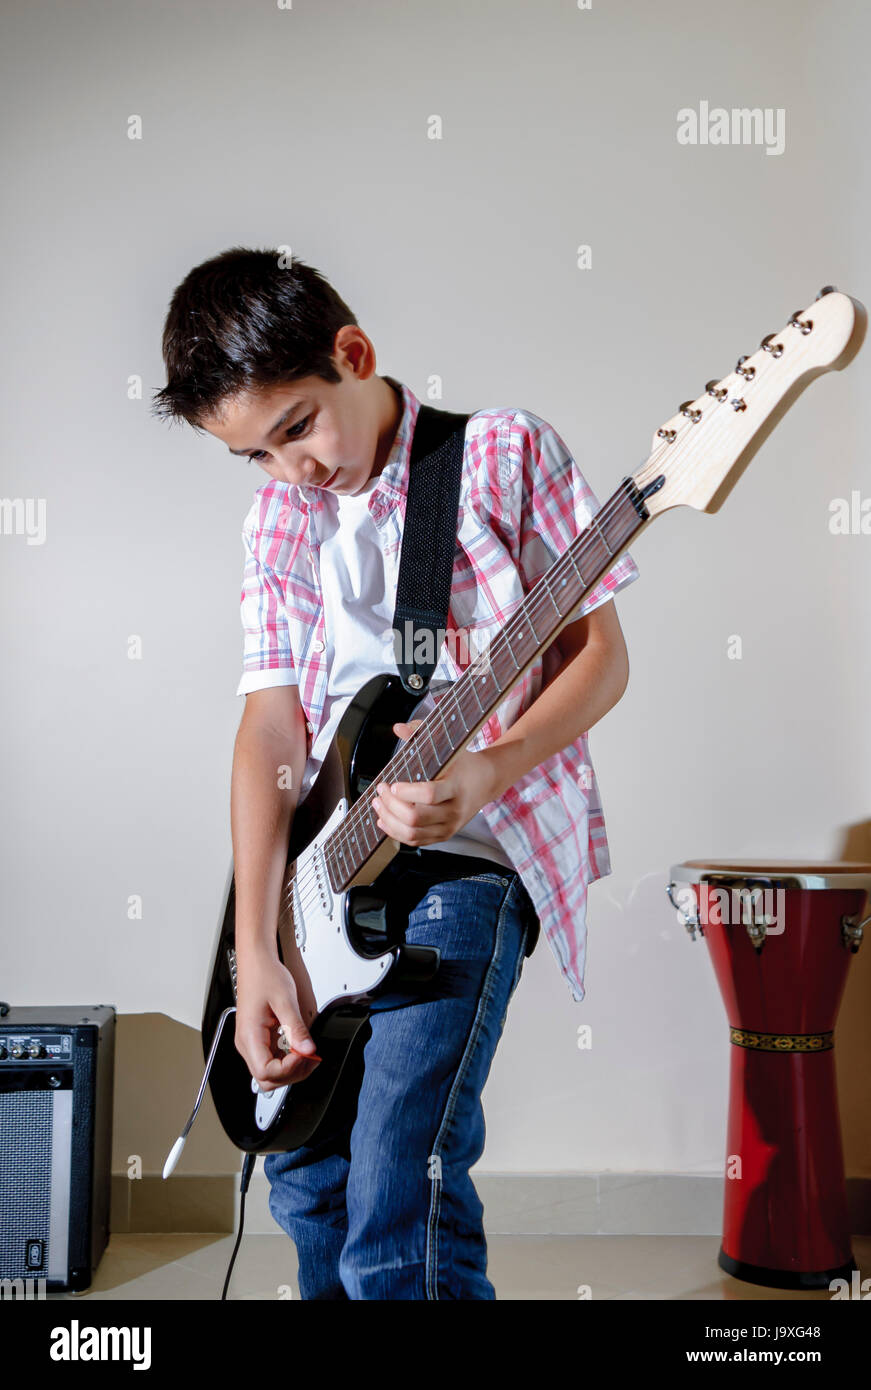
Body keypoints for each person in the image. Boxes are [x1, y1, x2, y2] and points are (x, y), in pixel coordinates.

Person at [151, 247, 639, 1299]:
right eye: (256, 456)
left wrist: (488, 768)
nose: (295, 470)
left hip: (471, 858)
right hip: (319, 881)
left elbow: (599, 658)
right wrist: (255, 953)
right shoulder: (280, 520)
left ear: (353, 354)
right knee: (309, 1188)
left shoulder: (502, 453)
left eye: (297, 426)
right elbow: (271, 731)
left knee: (395, 1196)